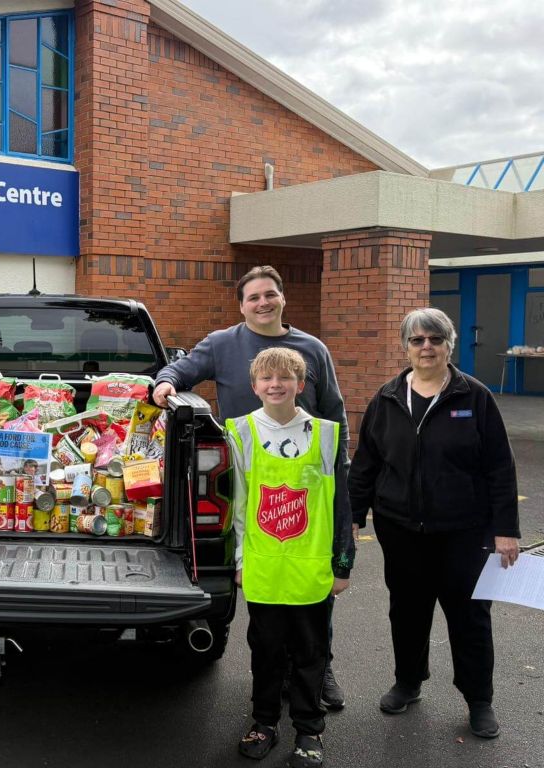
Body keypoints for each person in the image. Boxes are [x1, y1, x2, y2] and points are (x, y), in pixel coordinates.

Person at [152, 265, 350, 709]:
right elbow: (180, 370)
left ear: (282, 298)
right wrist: (165, 383)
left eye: (270, 294)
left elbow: (335, 415)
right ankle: (273, 675)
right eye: (253, 297)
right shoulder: (223, 343)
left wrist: (342, 475)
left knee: (311, 584)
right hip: (246, 487)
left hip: (304, 486)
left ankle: (320, 670)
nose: (263, 302)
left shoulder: (312, 349)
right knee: (259, 586)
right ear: (241, 306)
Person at [348, 307, 519, 739]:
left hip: (465, 529)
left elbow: (500, 466)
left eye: (435, 339)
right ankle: (408, 682)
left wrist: (506, 529)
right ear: (405, 347)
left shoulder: (474, 396)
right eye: (418, 340)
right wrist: (352, 517)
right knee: (407, 610)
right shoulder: (386, 398)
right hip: (400, 528)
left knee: (470, 616)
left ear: (449, 345)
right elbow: (365, 464)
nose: (427, 347)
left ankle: (479, 700)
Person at [226, 348, 353, 768]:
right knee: (265, 650)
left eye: (285, 378)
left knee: (311, 652)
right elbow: (239, 505)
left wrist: (342, 563)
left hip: (311, 566)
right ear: (254, 385)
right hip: (263, 565)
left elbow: (340, 504)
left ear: (301, 385)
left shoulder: (326, 433)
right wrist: (240, 560)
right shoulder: (241, 431)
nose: (275, 385)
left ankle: (308, 729)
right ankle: (264, 721)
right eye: (266, 378)